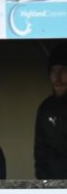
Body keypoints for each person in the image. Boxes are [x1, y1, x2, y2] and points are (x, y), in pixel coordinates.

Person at [34, 42, 67, 179]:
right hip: (54, 191)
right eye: (53, 71)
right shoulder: (46, 108)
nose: (57, 78)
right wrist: (45, 185)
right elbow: (40, 154)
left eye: (63, 71)